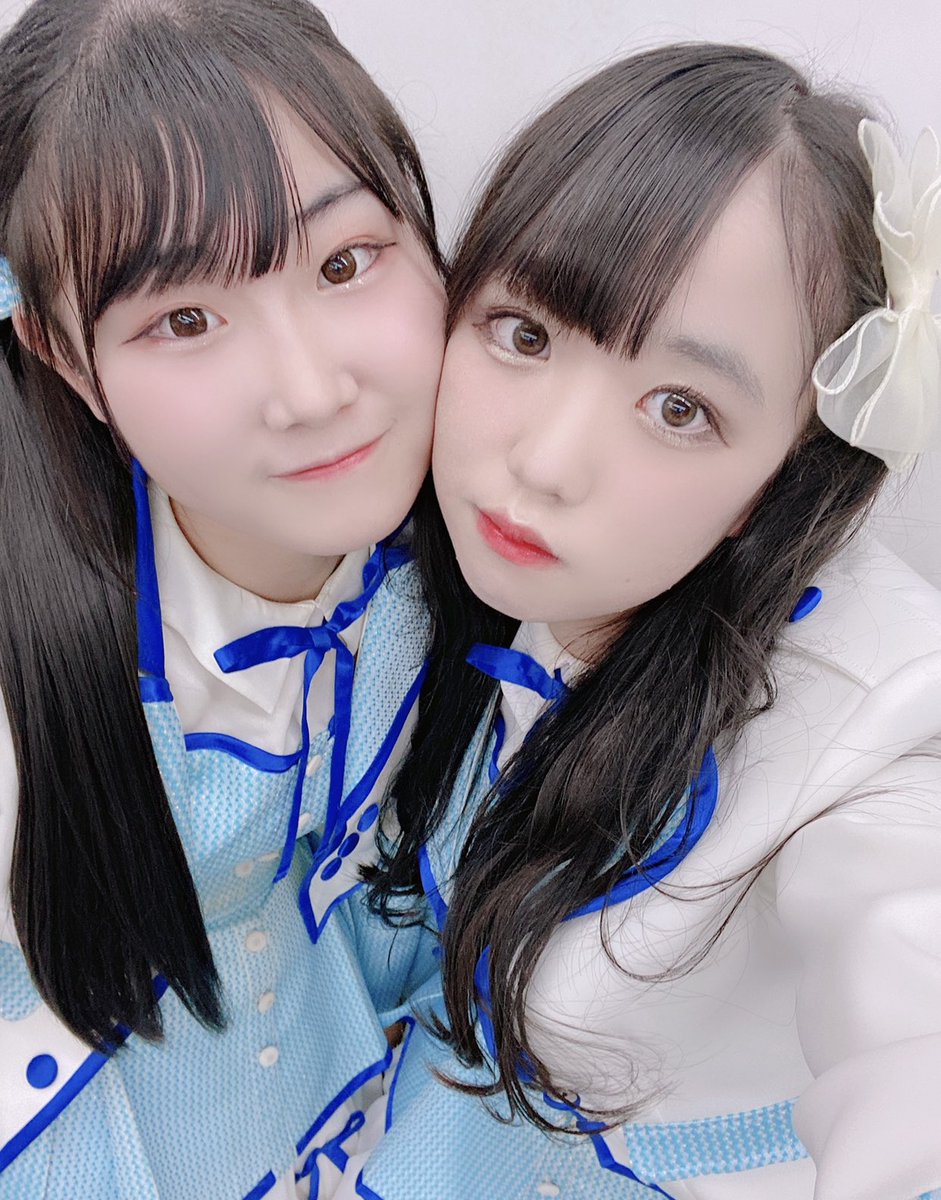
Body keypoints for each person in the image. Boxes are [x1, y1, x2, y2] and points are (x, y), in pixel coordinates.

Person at [352, 43, 941, 1200]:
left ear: (784, 475)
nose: (544, 463)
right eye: (525, 334)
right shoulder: (411, 576)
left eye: (678, 408)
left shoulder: (861, 727)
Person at [0, 0, 445, 1195]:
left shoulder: (497, 520)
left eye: (344, 262)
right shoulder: (31, 681)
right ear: (63, 357)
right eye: (185, 318)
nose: (308, 392)